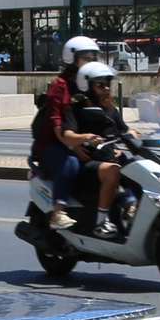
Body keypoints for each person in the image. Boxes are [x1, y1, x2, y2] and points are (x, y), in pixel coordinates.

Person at [28, 35, 98, 231]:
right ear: (71, 58)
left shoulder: (91, 84)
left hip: (80, 141)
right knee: (71, 162)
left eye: (93, 58)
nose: (90, 62)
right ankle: (58, 213)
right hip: (53, 144)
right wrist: (73, 145)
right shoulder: (59, 86)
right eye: (86, 58)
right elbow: (56, 123)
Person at [64, 62, 132, 238]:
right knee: (114, 170)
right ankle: (101, 222)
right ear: (87, 87)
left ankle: (131, 208)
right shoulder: (76, 110)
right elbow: (67, 134)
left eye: (108, 84)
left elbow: (126, 130)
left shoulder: (110, 109)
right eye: (100, 85)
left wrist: (134, 136)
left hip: (110, 161)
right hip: (89, 164)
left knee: (136, 165)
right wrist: (85, 138)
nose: (106, 89)